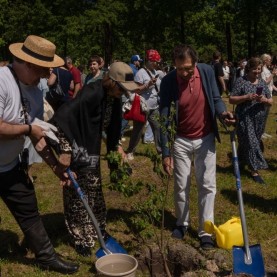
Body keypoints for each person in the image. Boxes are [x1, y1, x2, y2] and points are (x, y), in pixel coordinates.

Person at [0, 35, 79, 274]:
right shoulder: (1, 81)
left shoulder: (34, 93)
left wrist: (57, 168)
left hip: (9, 166)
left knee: (29, 209)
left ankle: (46, 257)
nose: (46, 77)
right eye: (42, 71)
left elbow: (37, 136)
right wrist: (27, 129)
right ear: (28, 64)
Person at [50, 62, 139, 256]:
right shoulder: (91, 93)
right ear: (112, 82)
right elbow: (62, 118)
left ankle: (98, 229)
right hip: (74, 146)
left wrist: (116, 147)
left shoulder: (113, 98)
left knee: (95, 190)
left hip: (90, 148)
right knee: (76, 194)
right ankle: (80, 236)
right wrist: (65, 151)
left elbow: (113, 127)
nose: (124, 93)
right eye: (122, 88)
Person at [160, 44, 234, 249]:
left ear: (195, 63)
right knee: (181, 184)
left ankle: (205, 231)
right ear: (174, 64)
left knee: (207, 185)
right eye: (180, 68)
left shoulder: (207, 72)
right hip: (181, 140)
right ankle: (182, 223)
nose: (184, 72)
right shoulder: (168, 82)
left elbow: (216, 99)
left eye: (188, 68)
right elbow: (164, 119)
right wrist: (166, 153)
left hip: (205, 137)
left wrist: (223, 114)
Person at [229, 57, 273, 185]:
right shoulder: (241, 81)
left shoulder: (262, 83)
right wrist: (246, 97)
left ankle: (239, 160)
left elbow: (271, 101)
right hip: (244, 117)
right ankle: (255, 170)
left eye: (259, 69)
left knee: (249, 140)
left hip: (260, 119)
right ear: (248, 69)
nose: (257, 72)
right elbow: (231, 99)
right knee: (252, 142)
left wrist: (264, 100)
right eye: (255, 70)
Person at [126, 49, 162, 160]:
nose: (158, 64)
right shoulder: (141, 73)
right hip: (143, 107)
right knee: (138, 130)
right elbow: (136, 90)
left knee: (157, 128)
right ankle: (130, 151)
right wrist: (147, 85)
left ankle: (160, 151)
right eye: (156, 62)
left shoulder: (155, 72)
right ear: (150, 61)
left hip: (154, 107)